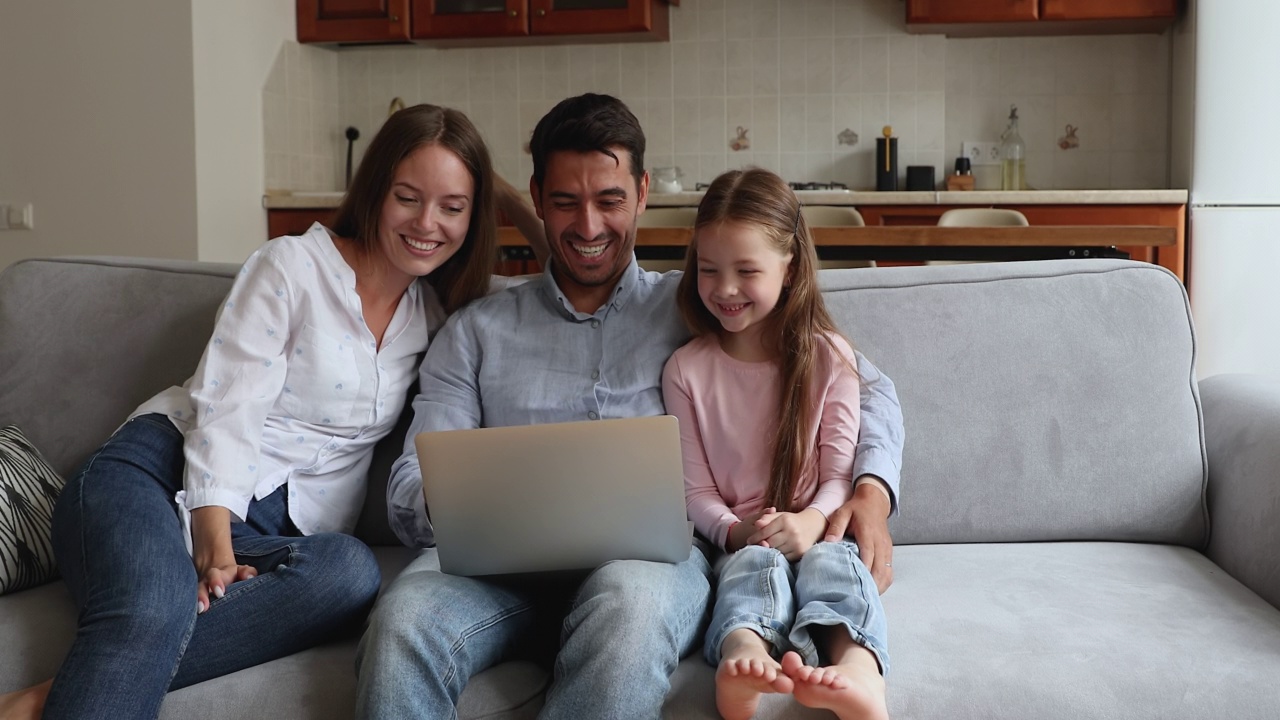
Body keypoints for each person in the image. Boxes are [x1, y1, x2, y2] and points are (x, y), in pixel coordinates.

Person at [355, 93, 902, 719]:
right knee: (401, 622)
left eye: (609, 201)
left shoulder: (703, 307)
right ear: (536, 199)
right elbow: (410, 481)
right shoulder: (474, 332)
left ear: (642, 192)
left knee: (630, 611)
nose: (588, 227)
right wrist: (462, 500)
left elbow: (863, 384)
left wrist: (871, 491)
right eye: (564, 202)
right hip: (488, 575)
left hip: (642, 570)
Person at [0, 103, 546, 720]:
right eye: (408, 197)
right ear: (375, 192)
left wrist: (500, 188)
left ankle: (57, 696)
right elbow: (230, 408)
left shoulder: (439, 318)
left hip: (274, 532)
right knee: (155, 606)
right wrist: (213, 548)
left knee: (349, 574)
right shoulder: (291, 265)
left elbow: (563, 280)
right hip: (155, 475)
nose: (427, 223)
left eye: (453, 206)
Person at [662, 168, 890, 720]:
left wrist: (813, 521)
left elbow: (840, 472)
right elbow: (692, 489)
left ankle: (857, 668)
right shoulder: (686, 371)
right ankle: (743, 656)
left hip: (818, 529)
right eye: (709, 270)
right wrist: (735, 530)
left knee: (836, 566)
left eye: (747, 271)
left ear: (790, 269)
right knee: (748, 570)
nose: (725, 289)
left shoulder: (828, 358)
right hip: (744, 537)